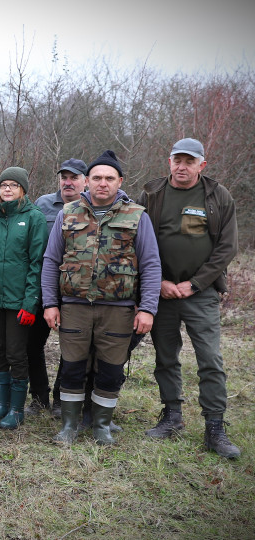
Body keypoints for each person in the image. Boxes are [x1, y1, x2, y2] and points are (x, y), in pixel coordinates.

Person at [42, 151, 160, 445]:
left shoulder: (137, 216)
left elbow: (150, 264)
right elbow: (50, 260)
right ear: (87, 182)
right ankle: (69, 425)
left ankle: (101, 425)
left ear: (120, 181)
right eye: (97, 178)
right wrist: (50, 303)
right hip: (74, 307)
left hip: (118, 309)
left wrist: (147, 309)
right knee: (72, 366)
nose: (102, 183)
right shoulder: (67, 214)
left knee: (110, 368)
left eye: (109, 178)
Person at [138, 138, 241, 459]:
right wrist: (161, 283)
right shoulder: (152, 194)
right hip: (162, 292)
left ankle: (215, 427)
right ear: (169, 161)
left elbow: (227, 247)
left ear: (202, 165)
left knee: (210, 360)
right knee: (165, 357)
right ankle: (172, 416)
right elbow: (138, 241)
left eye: (189, 161)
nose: (182, 167)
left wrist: (195, 284)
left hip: (201, 294)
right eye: (177, 160)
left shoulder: (218, 196)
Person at [0, 166, 47, 430]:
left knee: (16, 353)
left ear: (23, 189)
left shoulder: (34, 217)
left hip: (18, 301)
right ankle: (0, 405)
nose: (8, 189)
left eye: (14, 185)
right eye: (4, 185)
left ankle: (16, 409)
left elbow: (37, 263)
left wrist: (30, 302)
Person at [31, 159, 88, 414]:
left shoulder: (93, 206)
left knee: (71, 347)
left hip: (77, 290)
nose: (68, 182)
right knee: (32, 344)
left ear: (85, 180)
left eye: (74, 177)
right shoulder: (42, 204)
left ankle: (61, 397)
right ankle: (38, 397)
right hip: (44, 286)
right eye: (64, 177)